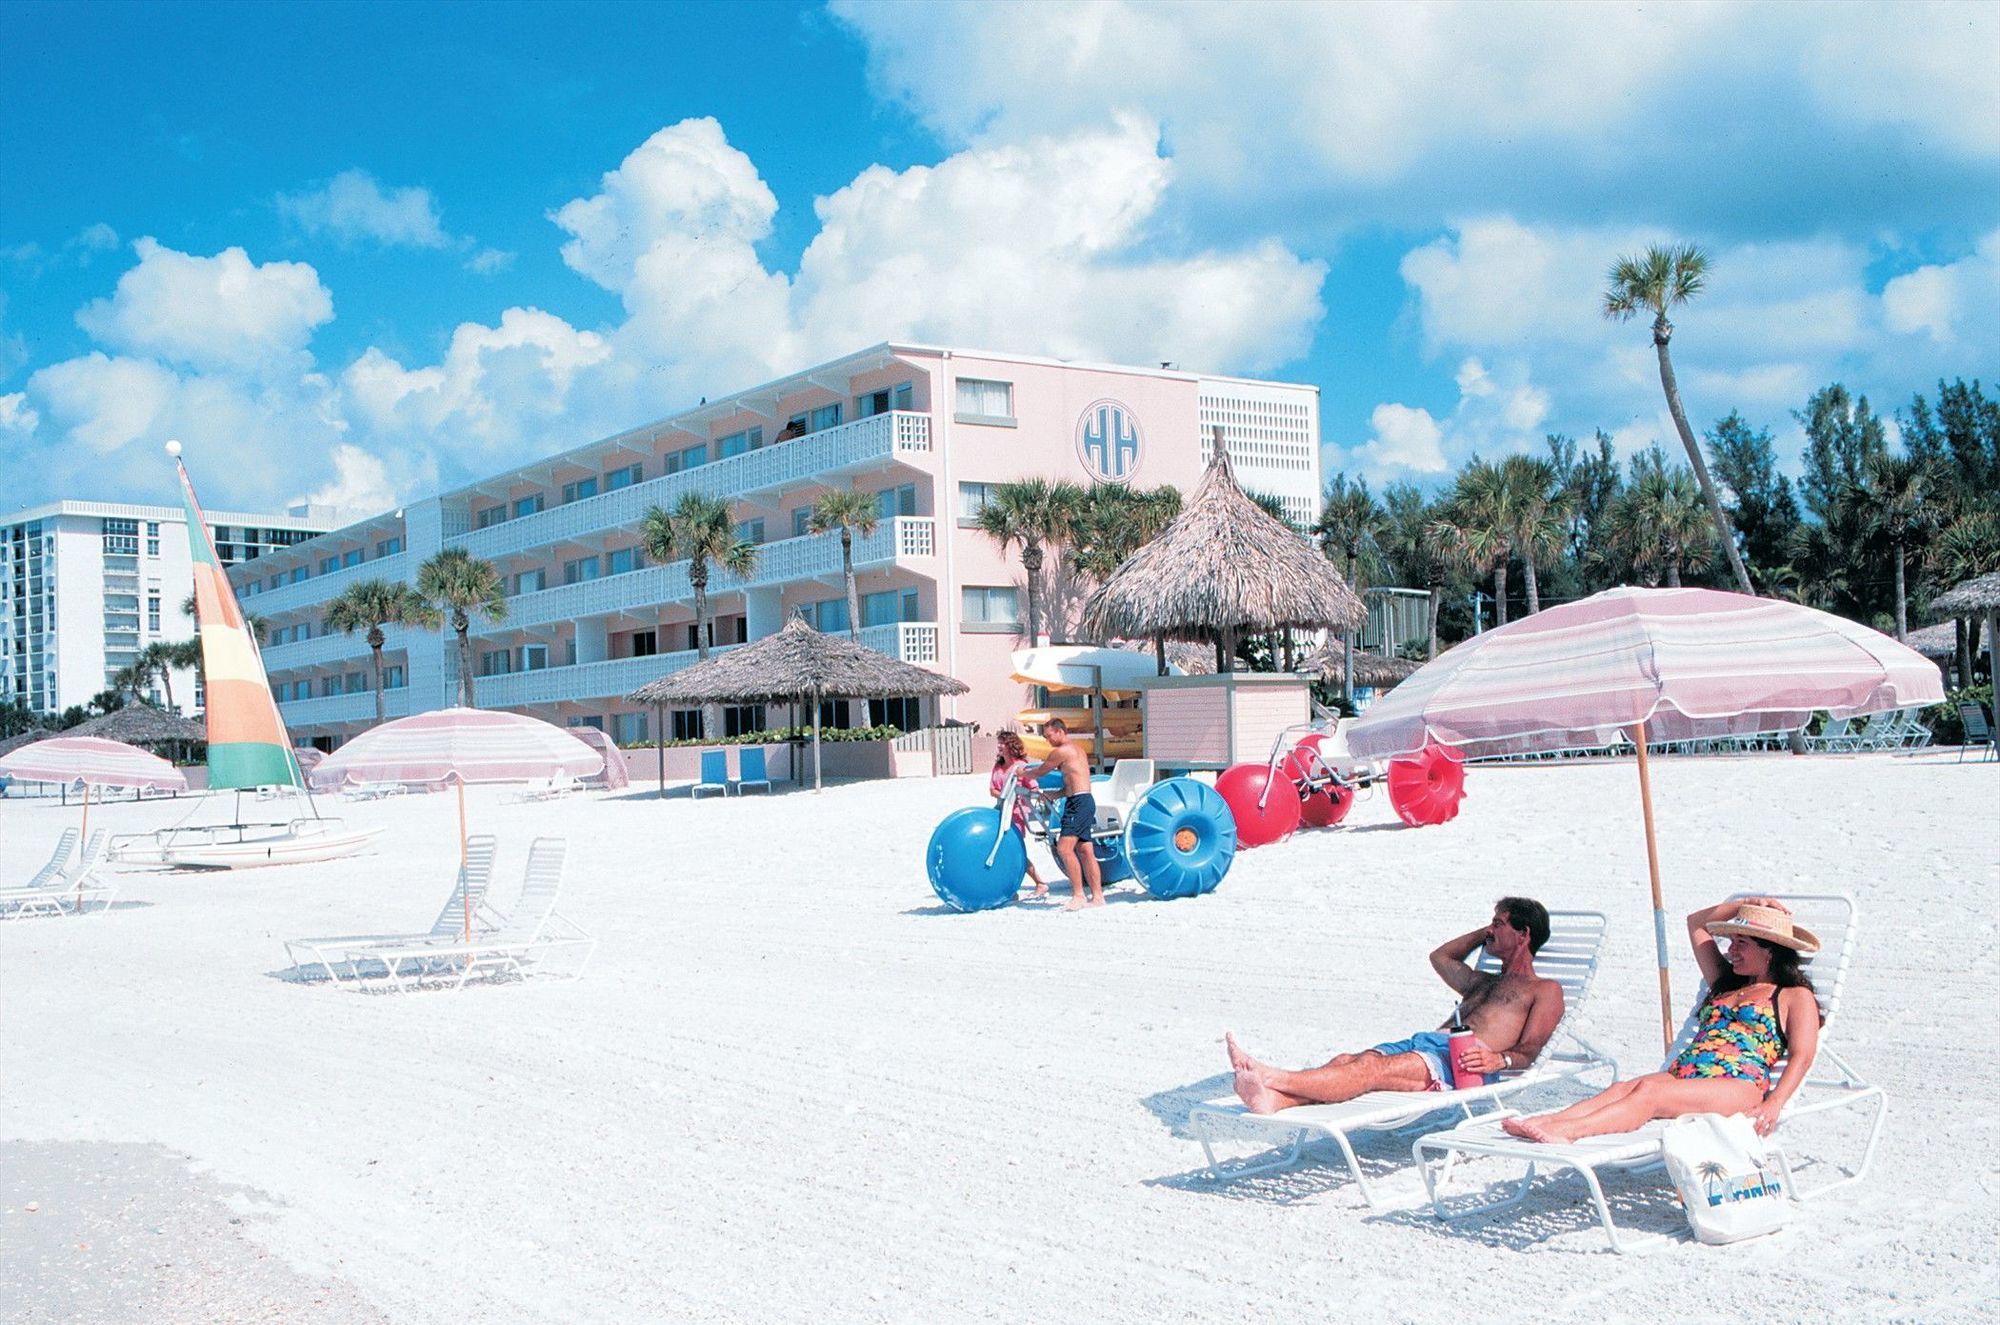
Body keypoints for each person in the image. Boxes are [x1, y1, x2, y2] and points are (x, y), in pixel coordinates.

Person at [1501, 897, 1821, 1144]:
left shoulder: (1793, 996)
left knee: (1649, 1096)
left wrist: (1775, 1103)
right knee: (1626, 1087)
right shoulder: (1726, 982)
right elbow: (1697, 922)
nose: (1730, 950)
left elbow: (1803, 1055)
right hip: (1686, 1073)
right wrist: (1746, 904)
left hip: (1737, 1083)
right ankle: (1549, 1121)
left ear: (1771, 951)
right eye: (1731, 940)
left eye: (1742, 943)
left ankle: (1569, 1132)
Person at [1226, 899, 1565, 1111]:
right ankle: (1276, 1100)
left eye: (1498, 924)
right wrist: (1487, 933)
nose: (1489, 931)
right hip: (1428, 1045)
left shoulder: (1544, 989)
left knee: (1367, 1072)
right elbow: (1441, 957)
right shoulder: (1483, 981)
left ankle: (1275, 1077)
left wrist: (1499, 1059)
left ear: (1524, 935)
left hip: (1463, 1064)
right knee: (1348, 1061)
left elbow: (1532, 1048)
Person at [1020, 718, 1104, 910]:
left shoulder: (1062, 751)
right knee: (1085, 851)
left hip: (1078, 803)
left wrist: (1021, 772)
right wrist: (1054, 795)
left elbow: (1040, 772)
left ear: (1060, 732)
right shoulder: (1077, 750)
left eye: (1049, 736)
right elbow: (1072, 783)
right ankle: (1097, 897)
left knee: (1064, 849)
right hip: (1084, 800)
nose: (1047, 740)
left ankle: (1078, 895)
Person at [989, 731, 1050, 899]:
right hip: (1002, 810)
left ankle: (1037, 883)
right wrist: (1004, 794)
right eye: (999, 743)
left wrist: (1016, 795)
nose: (1000, 746)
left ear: (1011, 745)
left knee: (1012, 849)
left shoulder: (1021, 766)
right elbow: (992, 789)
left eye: (1003, 743)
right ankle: (1015, 887)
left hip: (1018, 813)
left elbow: (1033, 788)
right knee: (1004, 849)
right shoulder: (998, 766)